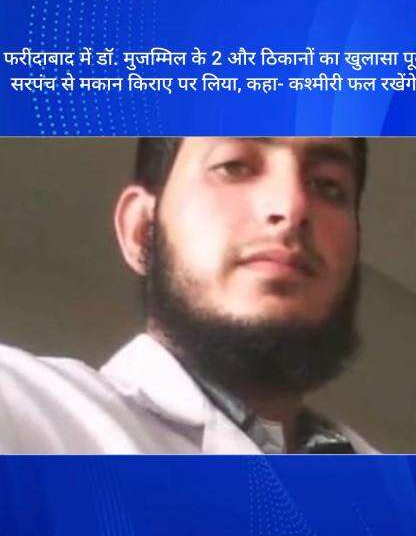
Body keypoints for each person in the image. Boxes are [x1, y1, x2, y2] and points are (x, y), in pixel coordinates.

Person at [0, 137, 377, 454]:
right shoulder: (21, 406)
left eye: (328, 185)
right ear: (143, 230)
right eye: (234, 166)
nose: (292, 206)